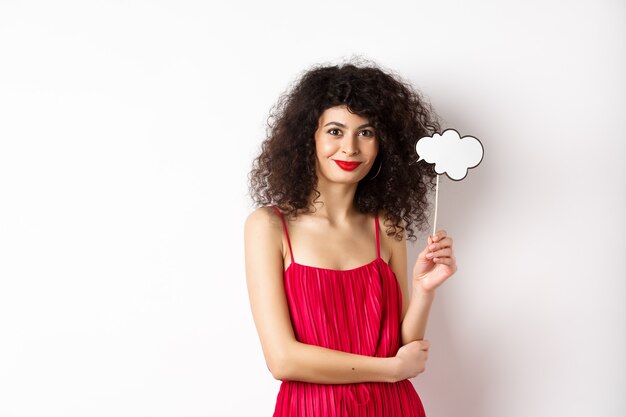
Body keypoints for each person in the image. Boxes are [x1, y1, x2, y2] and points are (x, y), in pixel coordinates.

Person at [244, 58, 457, 417]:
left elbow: (403, 347)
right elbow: (282, 360)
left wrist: (424, 291)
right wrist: (391, 370)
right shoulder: (269, 226)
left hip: (393, 408)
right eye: (335, 131)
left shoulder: (387, 227)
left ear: (383, 144)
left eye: (367, 132)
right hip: (312, 410)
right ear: (307, 136)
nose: (350, 148)